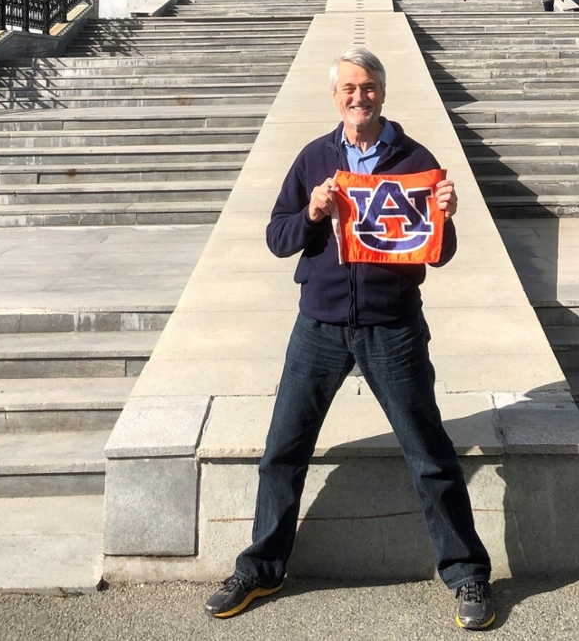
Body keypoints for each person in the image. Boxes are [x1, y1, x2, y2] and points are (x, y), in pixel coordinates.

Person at [204, 47, 495, 630]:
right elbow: (277, 237)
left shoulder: (416, 158)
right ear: (335, 97)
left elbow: (438, 254)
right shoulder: (314, 158)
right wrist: (311, 212)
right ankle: (261, 567)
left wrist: (447, 215)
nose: (358, 97)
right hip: (320, 326)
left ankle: (466, 574)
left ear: (382, 93)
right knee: (283, 451)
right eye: (348, 89)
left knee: (430, 455)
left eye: (368, 88)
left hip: (393, 327)